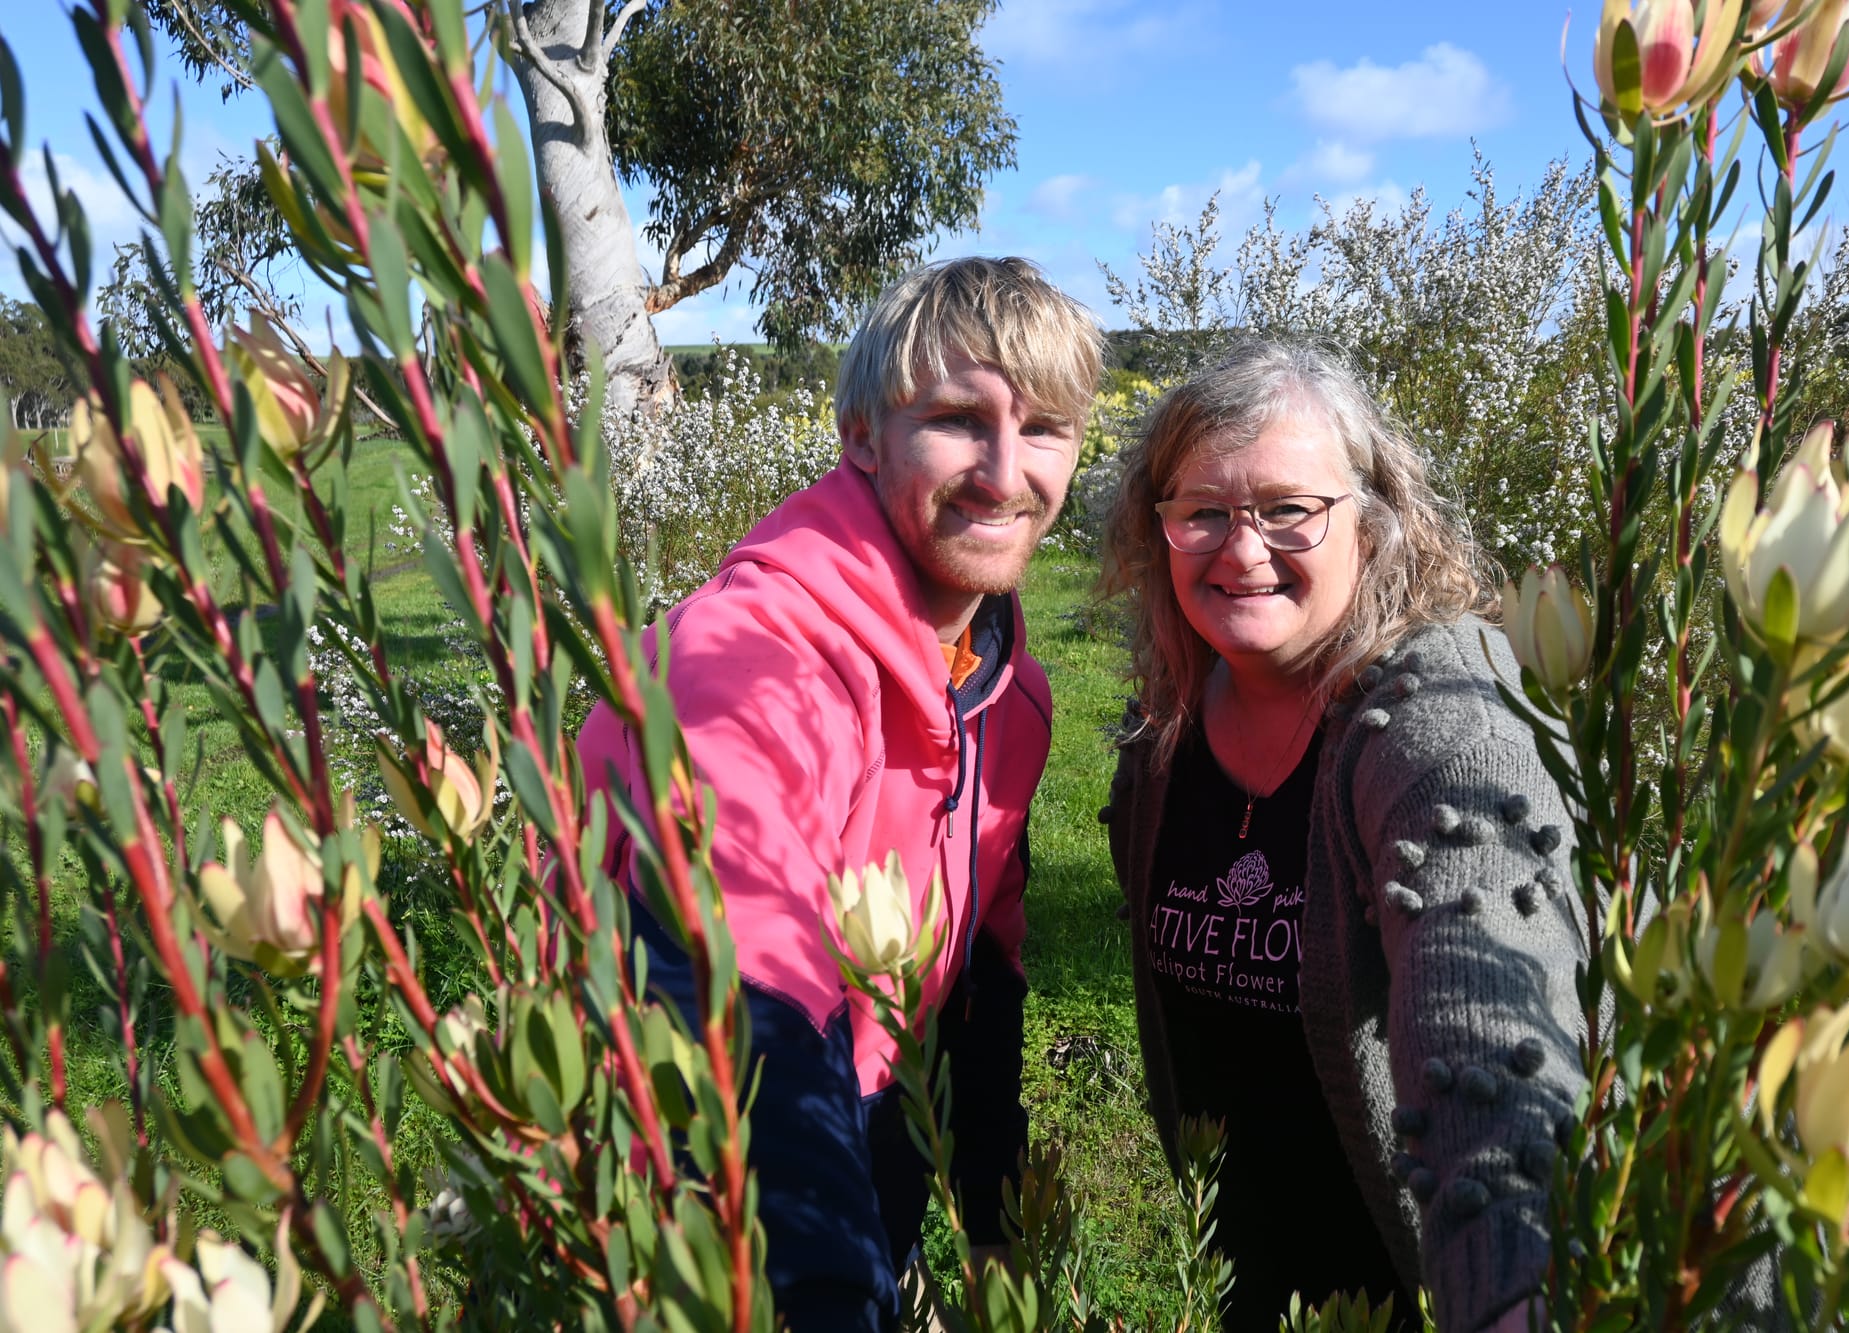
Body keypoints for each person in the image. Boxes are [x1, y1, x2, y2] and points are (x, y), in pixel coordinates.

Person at [575, 256, 1102, 1331]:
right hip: (684, 1193)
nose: (1006, 472)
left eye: (1044, 427)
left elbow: (982, 971)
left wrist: (992, 1220)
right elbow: (730, 989)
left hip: (871, 1132)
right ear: (862, 435)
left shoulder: (1009, 689)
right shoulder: (752, 658)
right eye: (959, 419)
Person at [1099, 339, 1587, 1333]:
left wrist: (1501, 1286)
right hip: (1252, 1283)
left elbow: (1487, 1007)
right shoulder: (1163, 733)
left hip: (1431, 1283)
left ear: (1371, 520)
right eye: (1202, 513)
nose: (1241, 551)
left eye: (1286, 509)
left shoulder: (1450, 718)